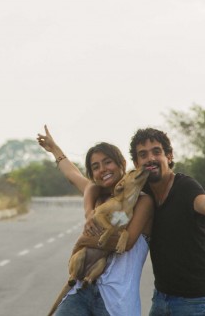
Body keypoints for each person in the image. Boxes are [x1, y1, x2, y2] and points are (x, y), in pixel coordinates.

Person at [37, 125, 154, 316]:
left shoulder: (142, 201)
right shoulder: (99, 199)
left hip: (115, 300)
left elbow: (124, 243)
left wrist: (84, 240)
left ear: (122, 164)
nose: (103, 170)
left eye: (108, 162)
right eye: (95, 167)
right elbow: (73, 175)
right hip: (81, 289)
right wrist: (54, 149)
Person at [129, 127, 205, 316]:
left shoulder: (185, 186)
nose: (150, 158)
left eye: (156, 152)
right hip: (161, 297)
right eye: (143, 155)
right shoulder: (143, 193)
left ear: (169, 155)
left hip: (194, 301)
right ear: (136, 163)